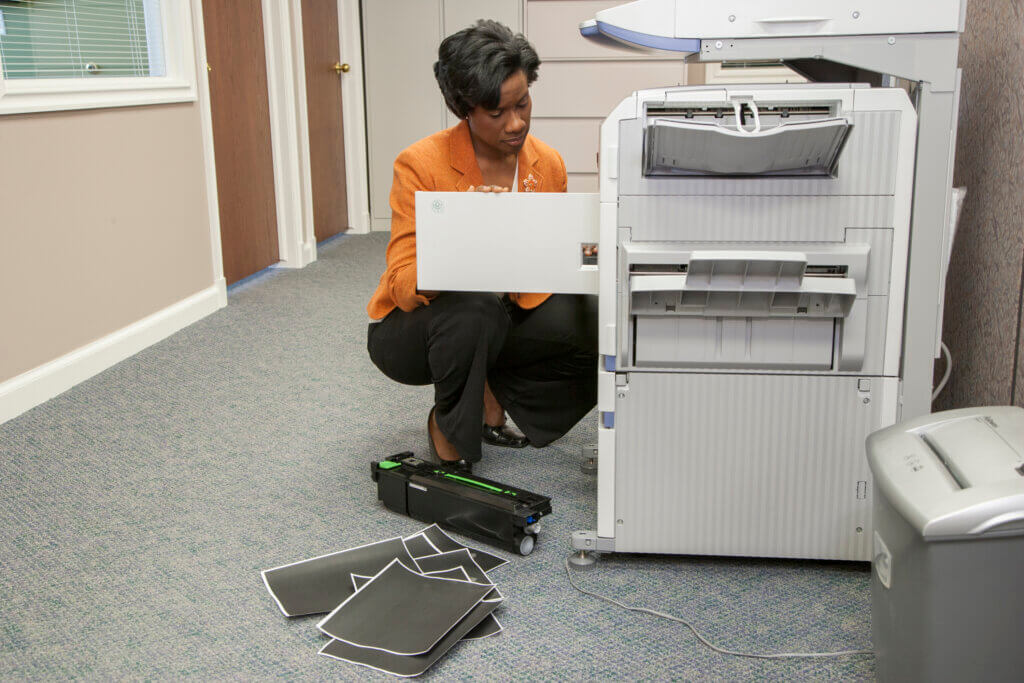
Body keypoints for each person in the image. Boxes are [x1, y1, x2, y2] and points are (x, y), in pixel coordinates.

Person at [366, 20, 597, 472]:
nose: (516, 124)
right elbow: (401, 284)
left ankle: (496, 397)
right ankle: (449, 430)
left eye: (523, 103)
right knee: (475, 310)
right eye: (497, 113)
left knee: (594, 317)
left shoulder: (547, 163)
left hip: (505, 312)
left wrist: (594, 243)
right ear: (465, 109)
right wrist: (463, 234)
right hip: (417, 326)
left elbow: (558, 258)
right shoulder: (419, 163)